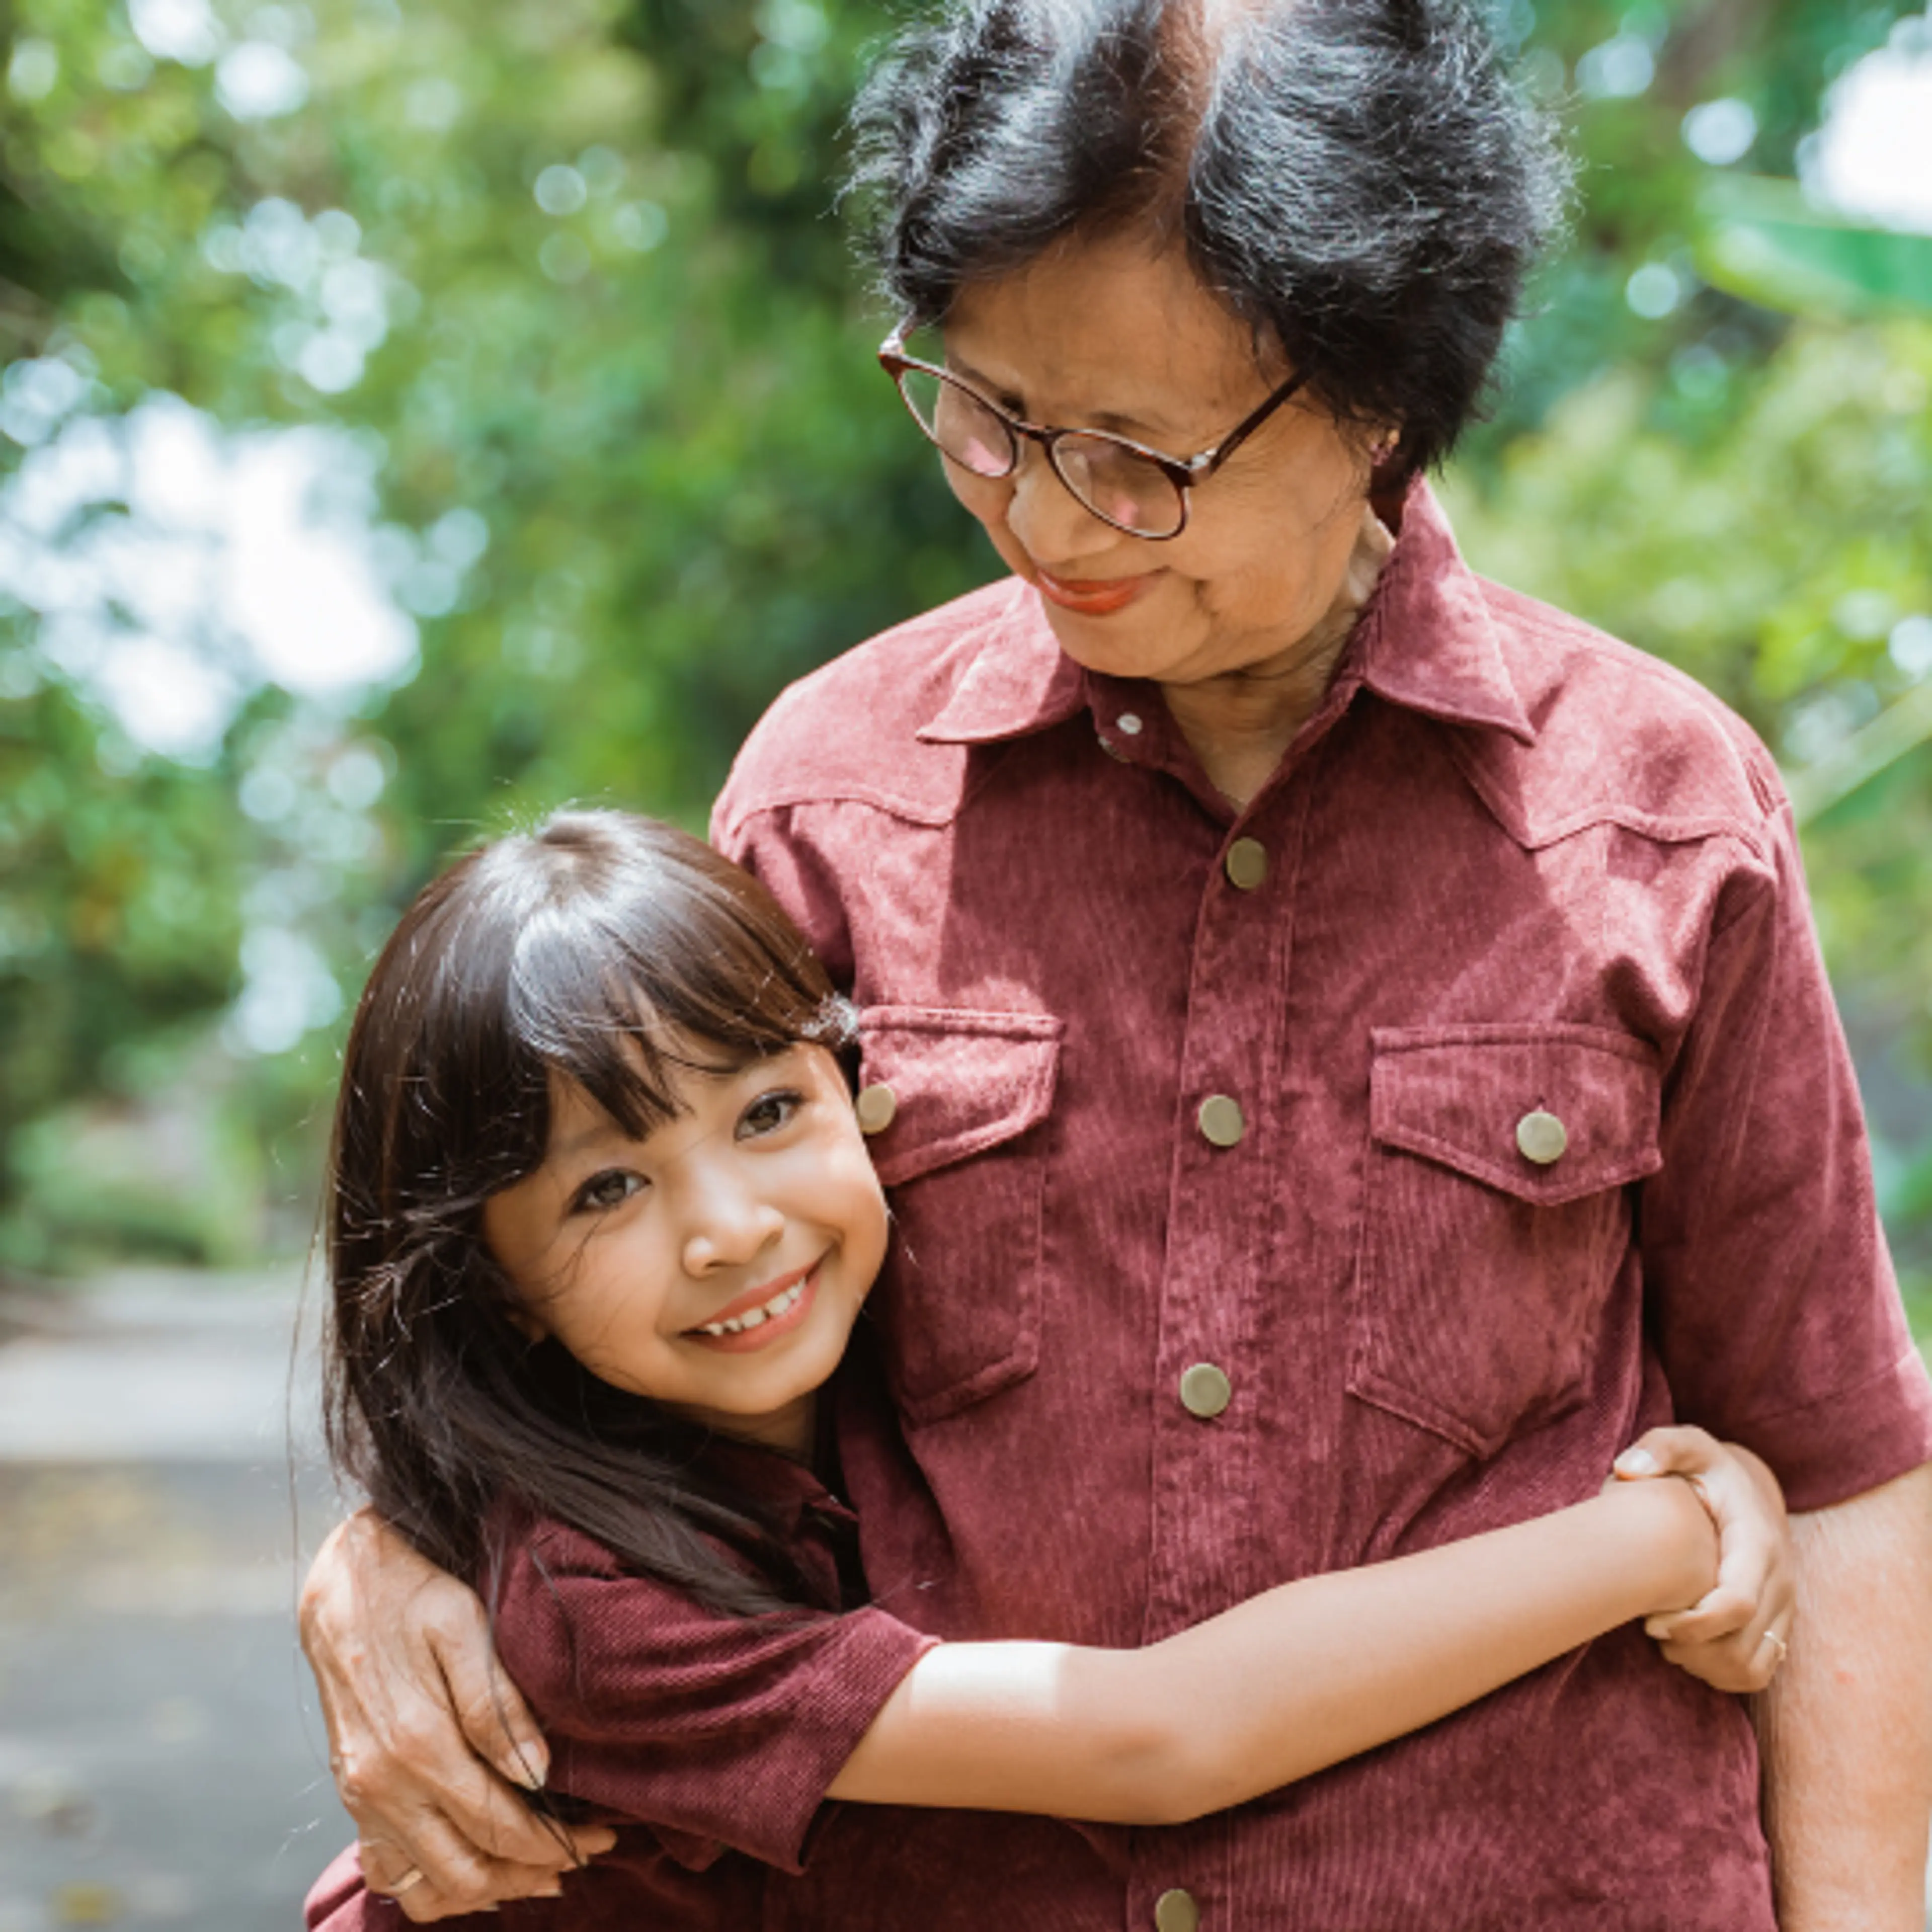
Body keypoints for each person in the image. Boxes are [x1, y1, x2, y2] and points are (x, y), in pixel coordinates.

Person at [302, 2, 1932, 1926]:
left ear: (1383, 396)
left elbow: (1836, 1464)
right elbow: (636, 1349)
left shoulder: (1658, 815)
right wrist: (404, 1550)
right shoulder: (830, 798)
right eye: (987, 412)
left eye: (1136, 453)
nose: (1043, 516)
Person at [303, 809, 1787, 1930]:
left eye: (765, 1114)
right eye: (605, 1191)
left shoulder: (881, 1351)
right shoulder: (591, 1607)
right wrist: (1652, 1538)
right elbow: (1158, 1738)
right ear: (493, 1294)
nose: (729, 1229)